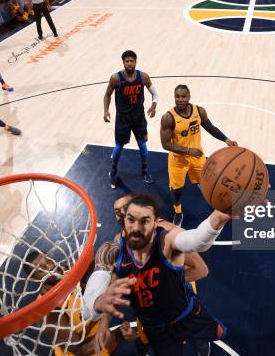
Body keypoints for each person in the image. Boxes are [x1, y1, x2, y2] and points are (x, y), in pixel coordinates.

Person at [85, 194, 231, 356]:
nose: (119, 214)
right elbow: (115, 285)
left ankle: (199, 342)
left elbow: (200, 269)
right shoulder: (117, 244)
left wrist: (217, 219)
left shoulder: (166, 234)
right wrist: (104, 323)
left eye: (124, 209)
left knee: (198, 338)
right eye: (116, 211)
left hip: (183, 309)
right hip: (154, 322)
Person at [160, 85, 237, 226]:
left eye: (183, 96)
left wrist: (226, 140)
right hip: (178, 161)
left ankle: (215, 201)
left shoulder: (199, 111)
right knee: (177, 190)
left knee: (207, 182)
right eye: (177, 96)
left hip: (197, 158)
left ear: (189, 97)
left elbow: (211, 128)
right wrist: (189, 150)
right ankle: (178, 212)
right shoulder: (168, 118)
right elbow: (165, 144)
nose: (180, 99)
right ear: (174, 97)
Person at [103, 50, 158, 188]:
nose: (129, 63)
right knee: (119, 147)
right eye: (126, 61)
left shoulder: (143, 77)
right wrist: (106, 110)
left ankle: (145, 171)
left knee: (143, 145)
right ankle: (113, 173)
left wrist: (154, 105)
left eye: (131, 61)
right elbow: (107, 95)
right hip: (123, 119)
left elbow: (155, 93)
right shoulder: (115, 78)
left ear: (135, 62)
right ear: (123, 62)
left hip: (139, 117)